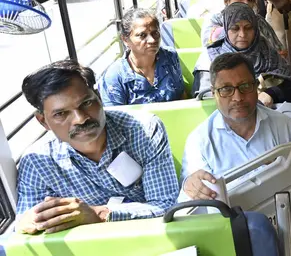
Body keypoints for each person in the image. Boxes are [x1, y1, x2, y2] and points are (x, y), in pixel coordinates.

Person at [16, 60, 179, 234]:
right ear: (43, 121)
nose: (80, 119)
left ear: (99, 97)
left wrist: (98, 214)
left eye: (86, 104)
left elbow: (166, 206)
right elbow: (28, 224)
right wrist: (31, 222)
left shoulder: (144, 130)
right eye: (61, 114)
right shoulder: (38, 161)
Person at [179, 52, 291, 256]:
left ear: (256, 87)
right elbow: (193, 200)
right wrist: (190, 185)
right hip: (236, 242)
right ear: (214, 93)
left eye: (245, 86)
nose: (238, 97)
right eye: (227, 89)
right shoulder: (200, 141)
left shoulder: (285, 127)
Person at [193, 3, 291, 107]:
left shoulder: (267, 52)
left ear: (256, 29)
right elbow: (203, 99)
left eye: (248, 28)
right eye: (235, 28)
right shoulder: (209, 58)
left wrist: (271, 94)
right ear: (226, 29)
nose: (242, 34)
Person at [99, 8, 185, 106]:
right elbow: (115, 117)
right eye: (142, 35)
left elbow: (181, 95)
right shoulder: (115, 77)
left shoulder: (169, 57)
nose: (152, 40)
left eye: (155, 33)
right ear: (125, 40)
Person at [202, 0, 284, 55]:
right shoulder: (216, 20)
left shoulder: (258, 21)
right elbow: (209, 44)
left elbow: (279, 51)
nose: (246, 2)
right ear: (226, 1)